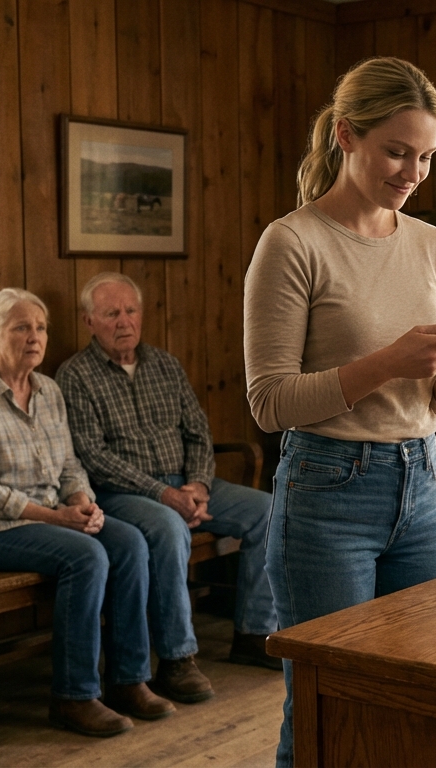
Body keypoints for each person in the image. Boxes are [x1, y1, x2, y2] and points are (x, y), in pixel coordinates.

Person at [243, 56, 436, 767]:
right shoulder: (292, 242)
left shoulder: (430, 244)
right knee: (329, 705)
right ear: (347, 136)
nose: (412, 171)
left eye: (426, 157)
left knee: (417, 695)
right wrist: (388, 362)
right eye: (396, 150)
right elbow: (269, 403)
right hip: (326, 495)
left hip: (422, 483)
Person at [0, 288, 173, 737]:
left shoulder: (47, 390)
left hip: (45, 519)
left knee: (128, 542)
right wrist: (56, 519)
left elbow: (68, 465)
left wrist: (83, 502)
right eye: (21, 327)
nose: (35, 337)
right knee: (85, 556)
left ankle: (128, 680)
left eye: (41, 327)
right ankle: (74, 696)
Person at [57, 272, 282, 707]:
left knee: (268, 510)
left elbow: (198, 433)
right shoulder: (76, 376)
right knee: (169, 529)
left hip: (188, 483)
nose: (124, 321)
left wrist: (197, 485)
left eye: (130, 311)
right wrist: (167, 496)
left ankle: (255, 633)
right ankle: (178, 660)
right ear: (89, 321)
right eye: (111, 313)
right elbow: (93, 456)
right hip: (125, 495)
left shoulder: (164, 364)